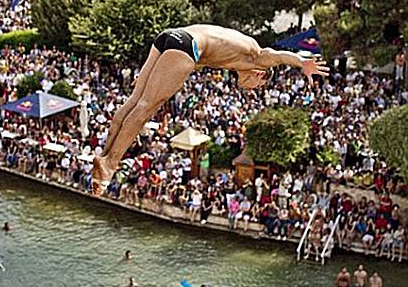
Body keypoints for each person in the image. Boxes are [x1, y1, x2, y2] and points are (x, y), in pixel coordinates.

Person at [92, 24, 329, 193]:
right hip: (189, 46)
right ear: (260, 75)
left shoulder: (240, 52)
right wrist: (301, 63)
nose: (251, 89)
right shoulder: (257, 58)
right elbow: (277, 56)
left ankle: (103, 155)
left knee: (134, 100)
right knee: (146, 108)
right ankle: (111, 163)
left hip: (171, 36)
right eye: (257, 86)